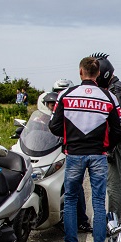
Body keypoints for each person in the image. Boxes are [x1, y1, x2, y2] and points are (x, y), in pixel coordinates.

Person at [49, 55, 121, 242]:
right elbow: (118, 129)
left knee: (71, 200)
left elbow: (53, 126)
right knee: (99, 201)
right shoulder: (108, 97)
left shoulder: (66, 95)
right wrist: (107, 146)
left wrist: (69, 137)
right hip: (98, 154)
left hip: (74, 154)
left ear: (80, 72)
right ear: (98, 74)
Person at [91, 53, 121, 217]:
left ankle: (114, 220)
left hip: (118, 142)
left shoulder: (115, 90)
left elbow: (117, 121)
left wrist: (109, 145)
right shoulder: (119, 87)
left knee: (113, 184)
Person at [40, 90, 92, 233]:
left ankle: (81, 220)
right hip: (46, 154)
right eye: (49, 104)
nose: (51, 107)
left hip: (64, 153)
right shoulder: (40, 120)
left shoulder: (65, 115)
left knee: (75, 187)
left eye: (53, 104)